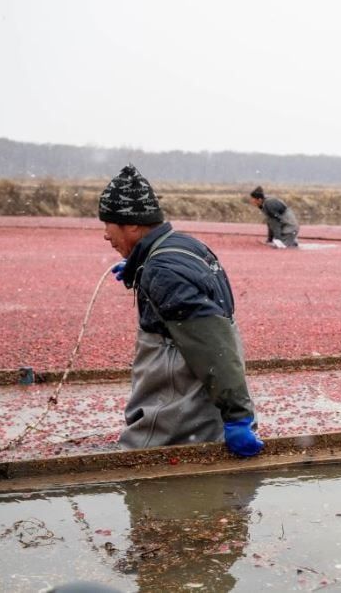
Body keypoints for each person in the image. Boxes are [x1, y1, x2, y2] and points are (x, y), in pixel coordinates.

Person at [100, 164, 263, 456]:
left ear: (133, 225)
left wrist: (239, 418)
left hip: (173, 419)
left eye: (108, 224)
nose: (105, 235)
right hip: (202, 414)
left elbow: (215, 345)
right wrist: (138, 268)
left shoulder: (163, 272)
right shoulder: (183, 245)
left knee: (143, 486)